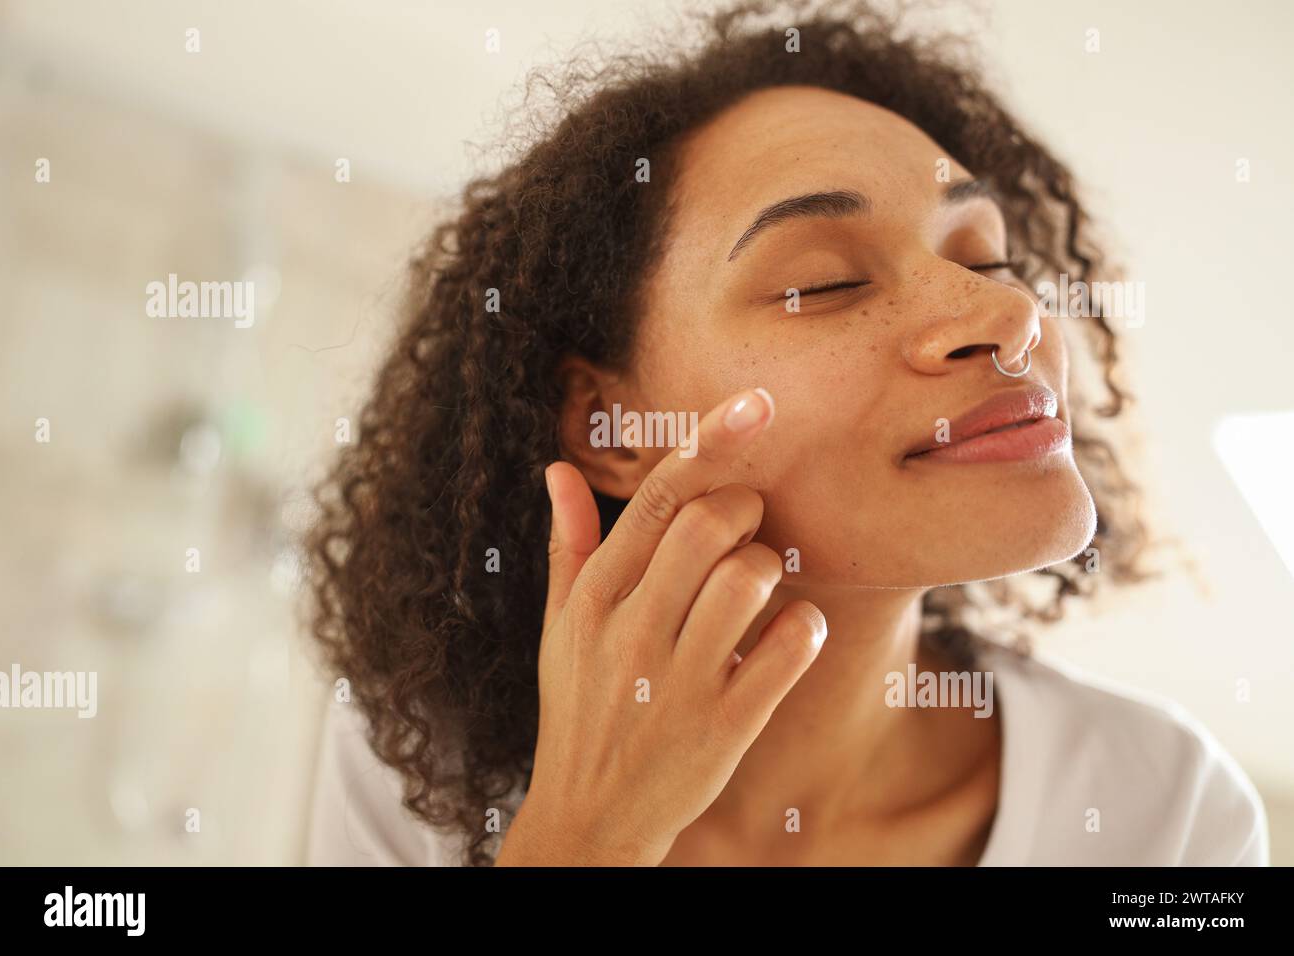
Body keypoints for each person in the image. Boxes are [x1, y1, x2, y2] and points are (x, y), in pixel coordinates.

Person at [302, 0, 1268, 866]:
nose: (1008, 317)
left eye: (989, 256)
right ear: (612, 425)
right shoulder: (424, 767)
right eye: (826, 284)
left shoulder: (1166, 818)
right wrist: (582, 841)